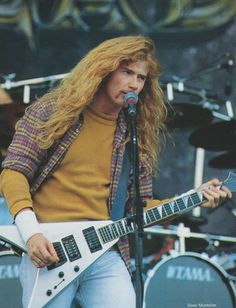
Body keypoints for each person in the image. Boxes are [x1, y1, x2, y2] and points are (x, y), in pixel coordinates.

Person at [0, 36, 232, 308]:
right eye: (127, 72)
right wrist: (32, 234)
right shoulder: (51, 113)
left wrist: (195, 197)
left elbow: (139, 209)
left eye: (142, 78)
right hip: (48, 248)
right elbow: (14, 172)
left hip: (105, 252)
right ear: (103, 70)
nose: (134, 84)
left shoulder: (134, 136)